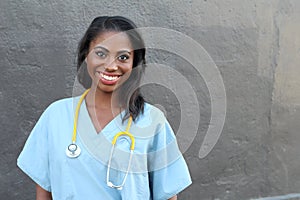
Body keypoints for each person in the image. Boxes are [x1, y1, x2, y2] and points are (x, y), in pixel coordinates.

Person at [17, 16, 192, 200]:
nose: (111, 65)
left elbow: (168, 195)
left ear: (134, 64)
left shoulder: (152, 121)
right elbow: (44, 193)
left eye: (123, 57)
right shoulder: (56, 116)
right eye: (101, 53)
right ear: (86, 55)